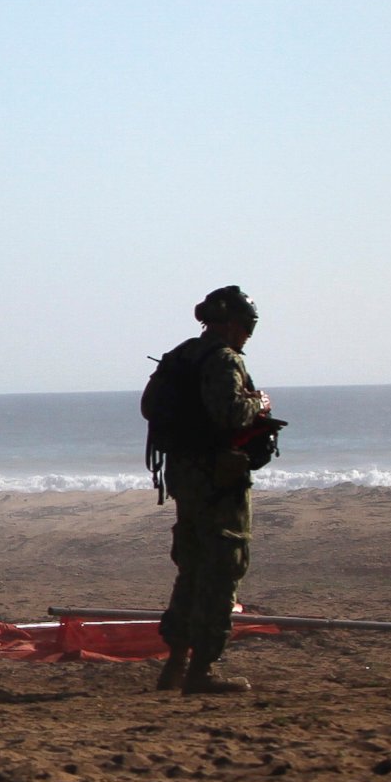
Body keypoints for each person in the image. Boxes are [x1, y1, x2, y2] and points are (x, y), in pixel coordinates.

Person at [144, 285, 274, 696]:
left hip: (186, 477)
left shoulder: (184, 354)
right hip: (219, 479)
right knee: (222, 569)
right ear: (233, 323)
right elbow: (231, 413)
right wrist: (260, 404)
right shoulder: (222, 359)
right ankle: (201, 670)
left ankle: (175, 667)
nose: (249, 334)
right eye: (248, 325)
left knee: (193, 569)